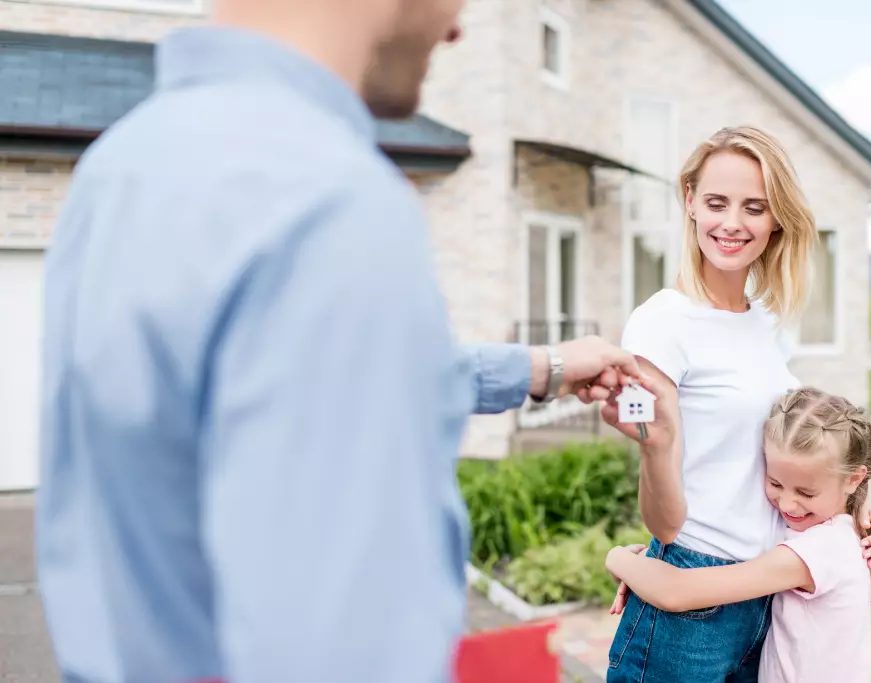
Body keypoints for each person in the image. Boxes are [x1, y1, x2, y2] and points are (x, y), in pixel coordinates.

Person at [34, 2, 644, 682]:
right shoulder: (329, 201)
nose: (455, 28)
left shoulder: (122, 164)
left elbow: (259, 387)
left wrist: (545, 366)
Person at [582, 125, 871, 682]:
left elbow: (777, 453)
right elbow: (664, 518)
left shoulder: (765, 319)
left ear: (776, 221)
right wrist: (650, 558)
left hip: (766, 595)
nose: (732, 223)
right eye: (717, 202)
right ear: (690, 202)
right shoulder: (661, 324)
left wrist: (849, 505)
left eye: (754, 207)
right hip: (694, 601)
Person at [604, 387, 871, 683]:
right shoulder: (836, 535)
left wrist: (618, 558)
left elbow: (675, 592)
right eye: (775, 483)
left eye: (805, 492)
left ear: (855, 479)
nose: (787, 504)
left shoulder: (820, 549)